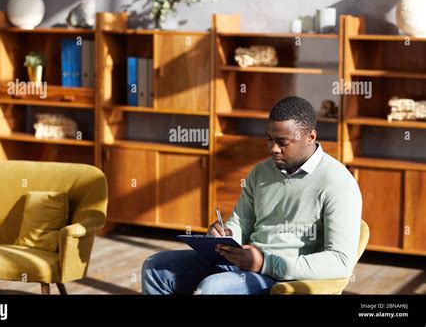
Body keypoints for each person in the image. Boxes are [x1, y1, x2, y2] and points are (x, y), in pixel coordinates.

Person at [141, 96, 362, 295]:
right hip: (244, 261)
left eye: (282, 142)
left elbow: (340, 261)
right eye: (269, 140)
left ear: (310, 137)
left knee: (213, 289)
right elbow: (241, 222)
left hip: (283, 277)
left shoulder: (338, 183)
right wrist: (223, 236)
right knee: (156, 267)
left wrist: (265, 263)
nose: (273, 149)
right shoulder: (261, 172)